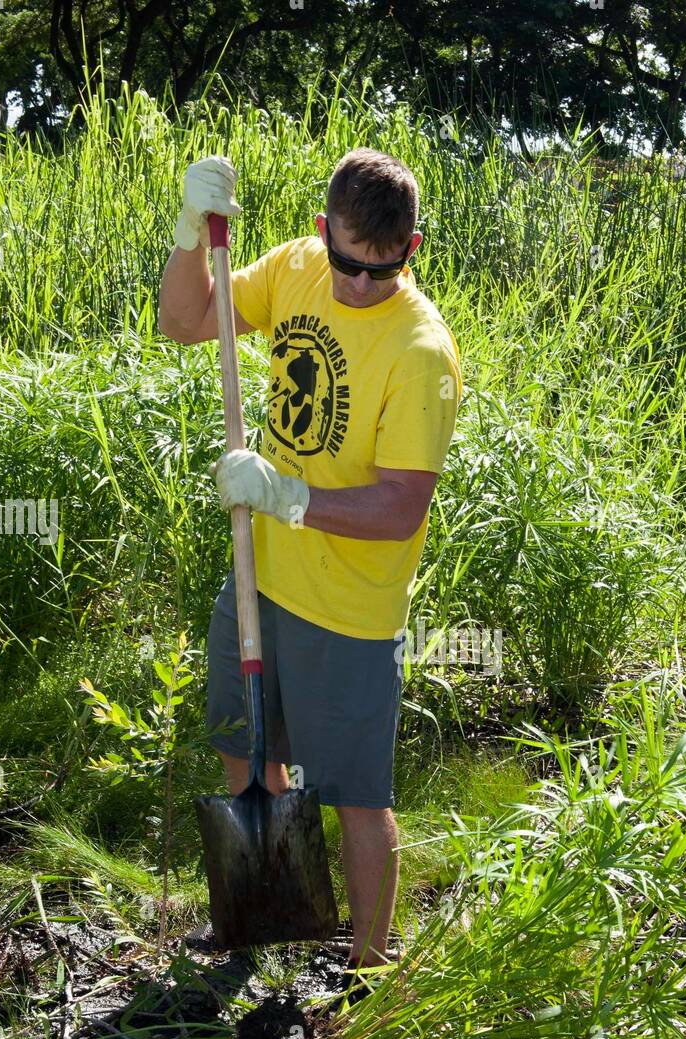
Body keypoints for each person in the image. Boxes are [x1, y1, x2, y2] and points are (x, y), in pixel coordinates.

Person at [158, 148, 461, 983]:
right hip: (262, 579)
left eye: (382, 271)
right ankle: (263, 918)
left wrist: (287, 496)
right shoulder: (293, 267)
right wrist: (190, 235)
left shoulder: (420, 353)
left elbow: (401, 506)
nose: (359, 286)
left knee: (359, 799)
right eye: (346, 265)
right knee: (244, 755)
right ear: (323, 233)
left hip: (351, 615)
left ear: (413, 249)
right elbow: (186, 322)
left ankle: (367, 976)